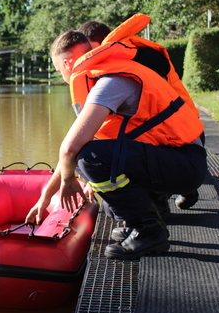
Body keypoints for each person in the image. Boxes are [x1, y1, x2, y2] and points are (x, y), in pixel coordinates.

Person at [25, 26, 207, 261]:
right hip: (176, 157)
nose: (62, 76)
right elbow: (75, 144)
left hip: (184, 165)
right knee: (108, 198)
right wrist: (46, 196)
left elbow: (71, 148)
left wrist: (69, 180)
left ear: (68, 63)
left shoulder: (111, 81)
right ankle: (146, 218)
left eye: (59, 69)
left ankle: (149, 231)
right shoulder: (110, 73)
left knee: (89, 158)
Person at [79, 15, 201, 214]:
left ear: (106, 44)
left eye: (91, 50)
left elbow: (154, 116)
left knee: (114, 161)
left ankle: (164, 200)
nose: (89, 58)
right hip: (168, 134)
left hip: (180, 134)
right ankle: (177, 188)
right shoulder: (115, 67)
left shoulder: (141, 61)